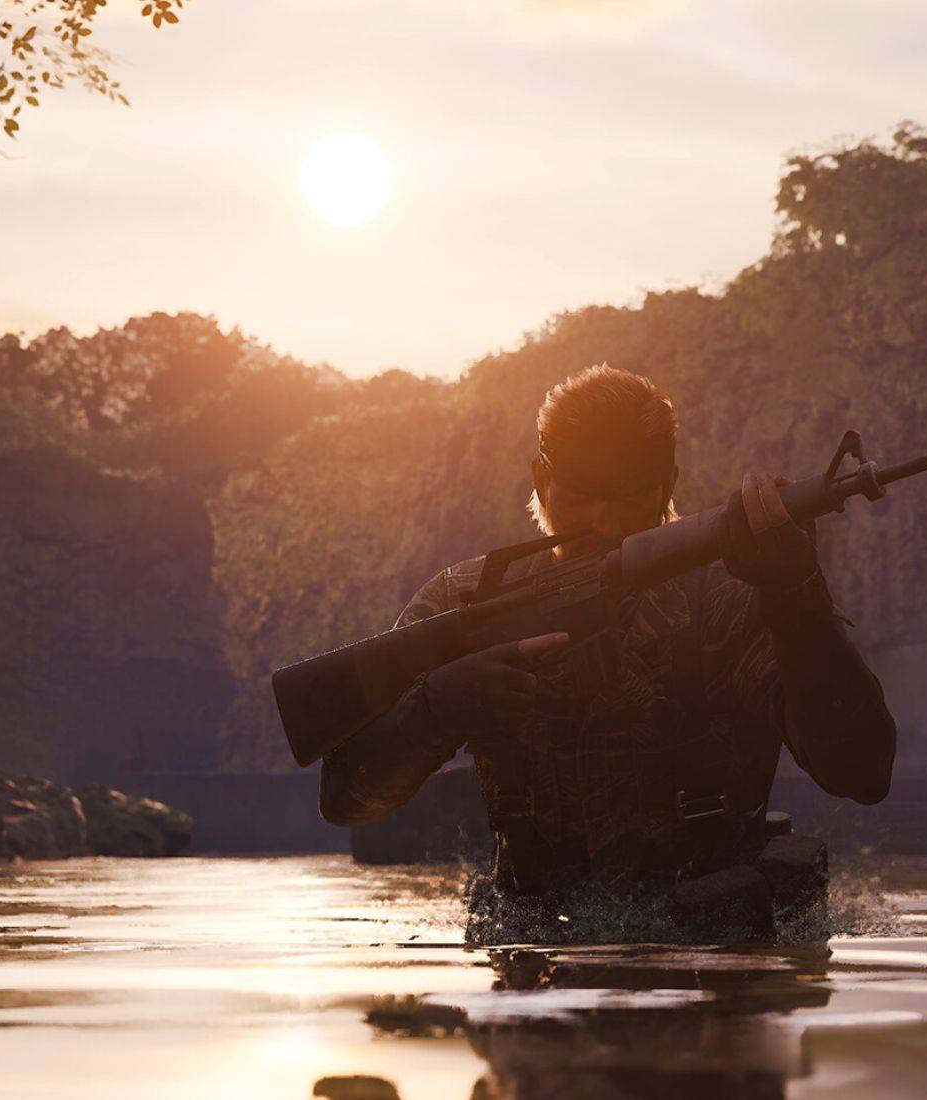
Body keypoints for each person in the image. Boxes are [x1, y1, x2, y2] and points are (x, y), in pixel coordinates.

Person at [318, 365, 897, 939]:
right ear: (541, 477)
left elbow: (862, 773)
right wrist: (438, 708)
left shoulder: (731, 595)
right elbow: (346, 798)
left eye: (625, 494)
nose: (602, 521)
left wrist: (794, 595)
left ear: (665, 485)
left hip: (719, 980)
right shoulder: (469, 607)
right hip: (535, 974)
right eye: (583, 492)